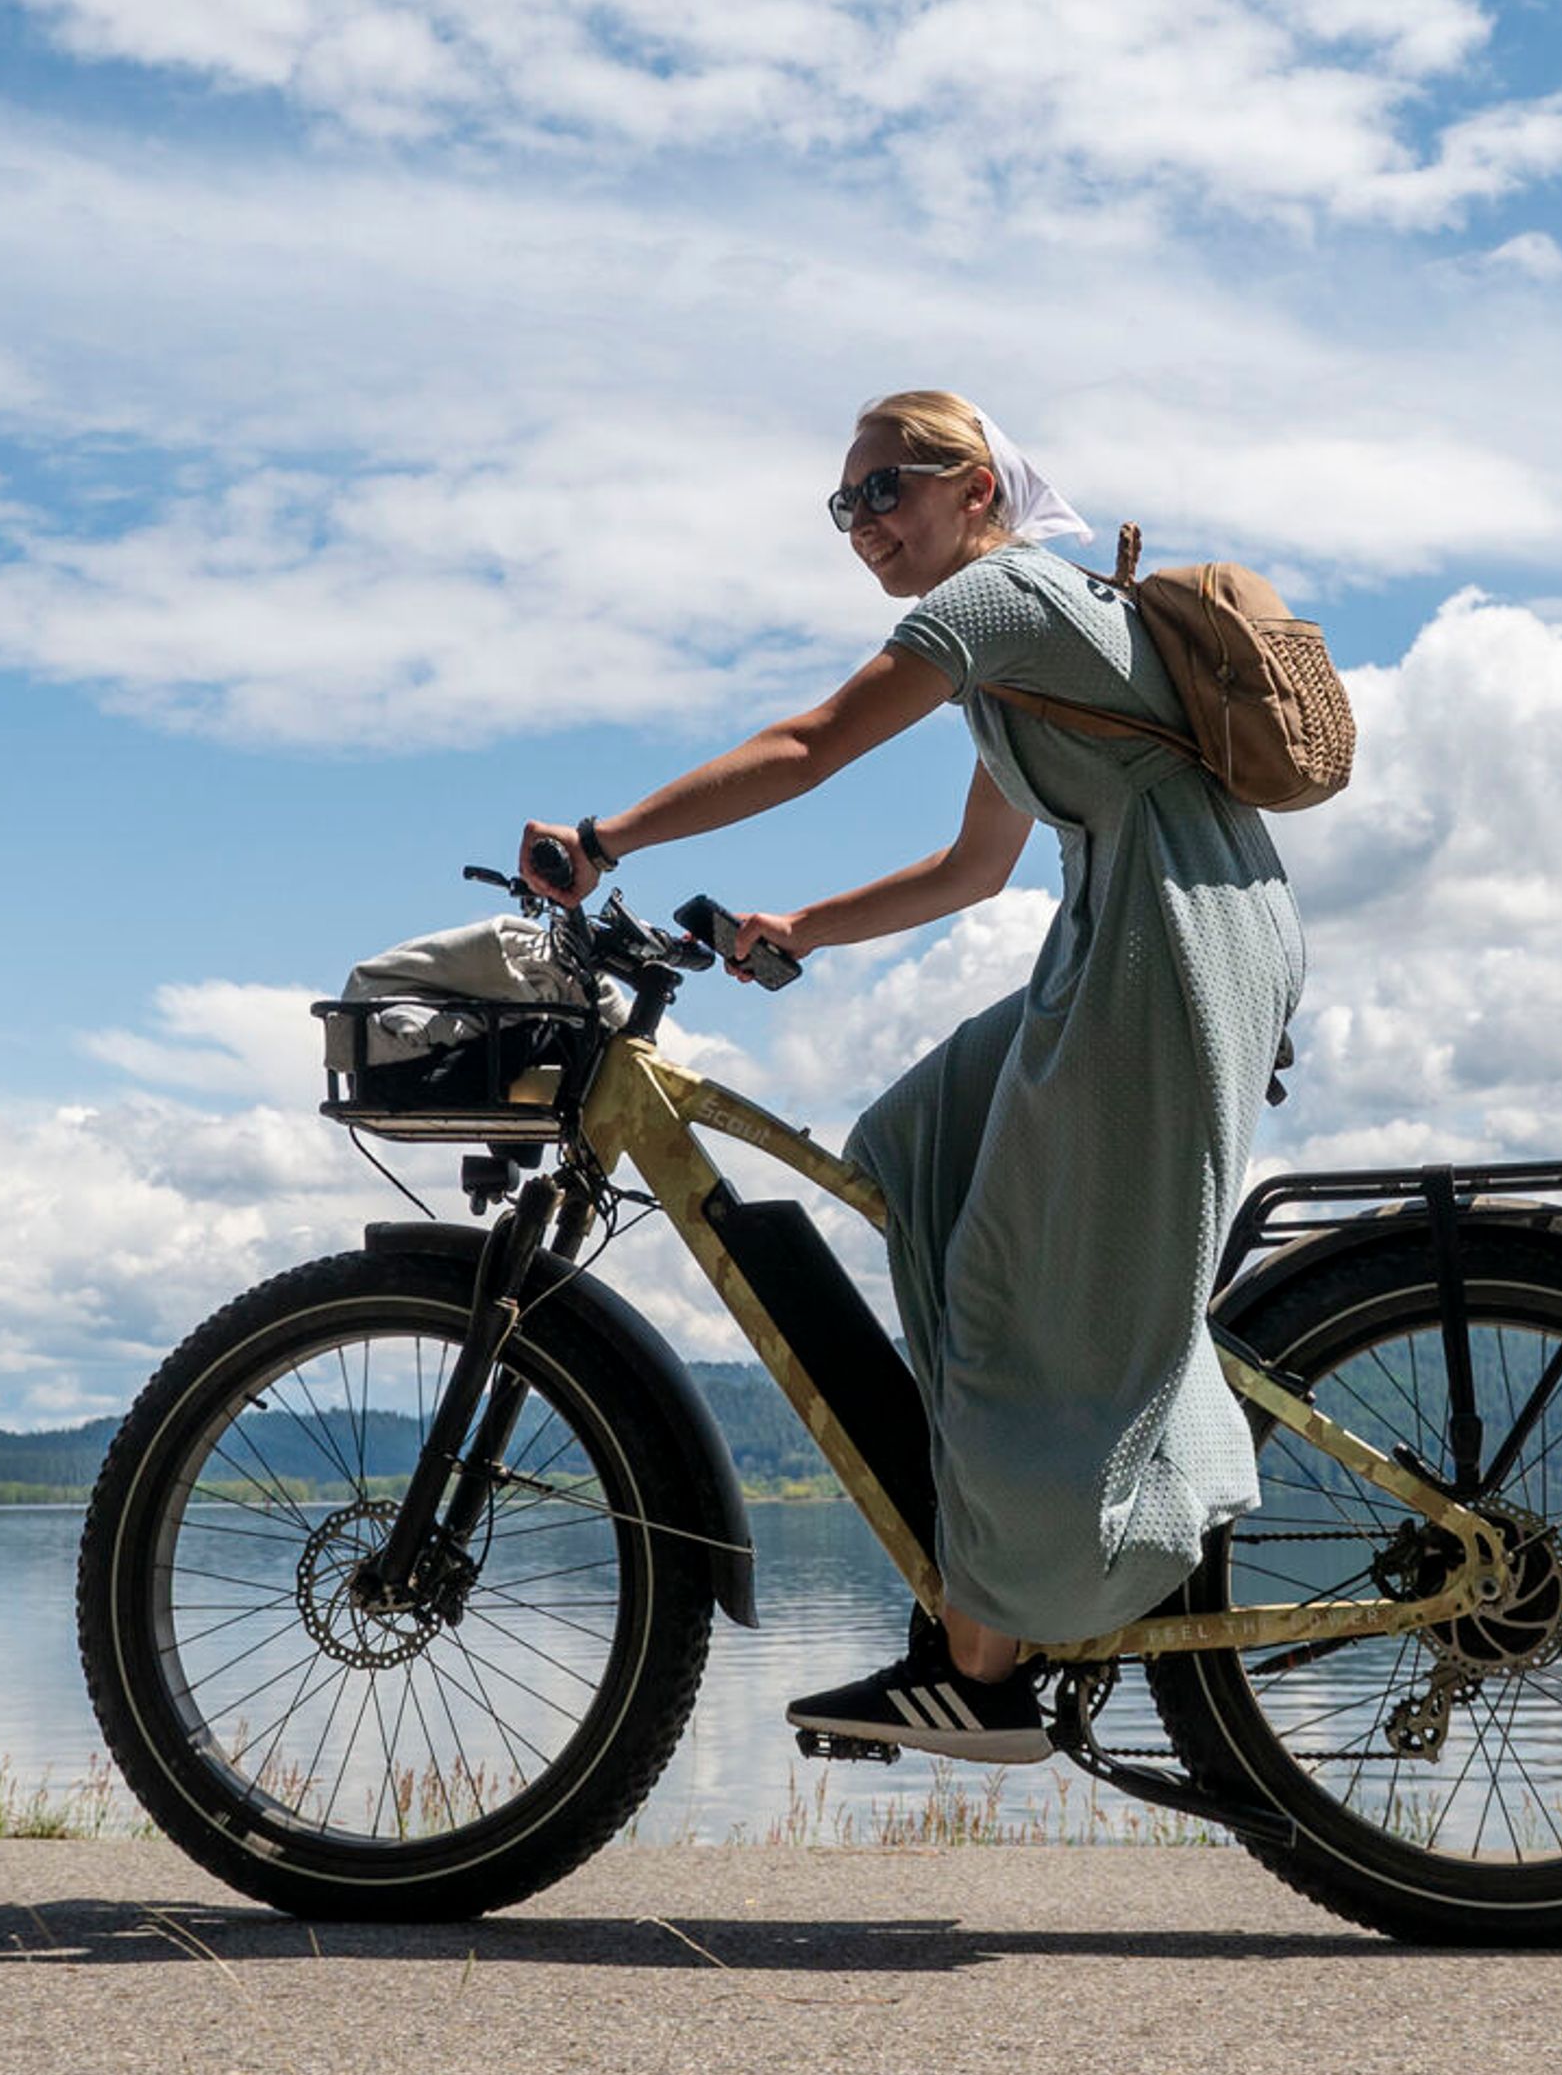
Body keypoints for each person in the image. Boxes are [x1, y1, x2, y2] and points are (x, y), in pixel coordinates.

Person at [519, 390, 1301, 1764]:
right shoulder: (1023, 649)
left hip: (1163, 938)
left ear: (978, 490)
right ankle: (988, 1546)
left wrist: (607, 837)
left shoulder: (1006, 600)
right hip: (1137, 925)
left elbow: (814, 744)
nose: (863, 524)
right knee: (916, 1144)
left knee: (1010, 1281)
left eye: (887, 490)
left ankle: (987, 1667)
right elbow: (974, 869)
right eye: (844, 506)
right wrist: (804, 928)